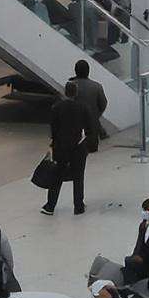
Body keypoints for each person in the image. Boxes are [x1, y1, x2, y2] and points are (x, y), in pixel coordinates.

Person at [44, 76, 96, 215]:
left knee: (57, 176)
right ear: (76, 92)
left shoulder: (56, 107)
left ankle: (50, 206)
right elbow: (90, 128)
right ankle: (78, 206)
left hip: (60, 147)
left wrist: (54, 142)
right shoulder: (83, 107)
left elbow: (53, 128)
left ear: (65, 92)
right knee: (78, 176)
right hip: (78, 147)